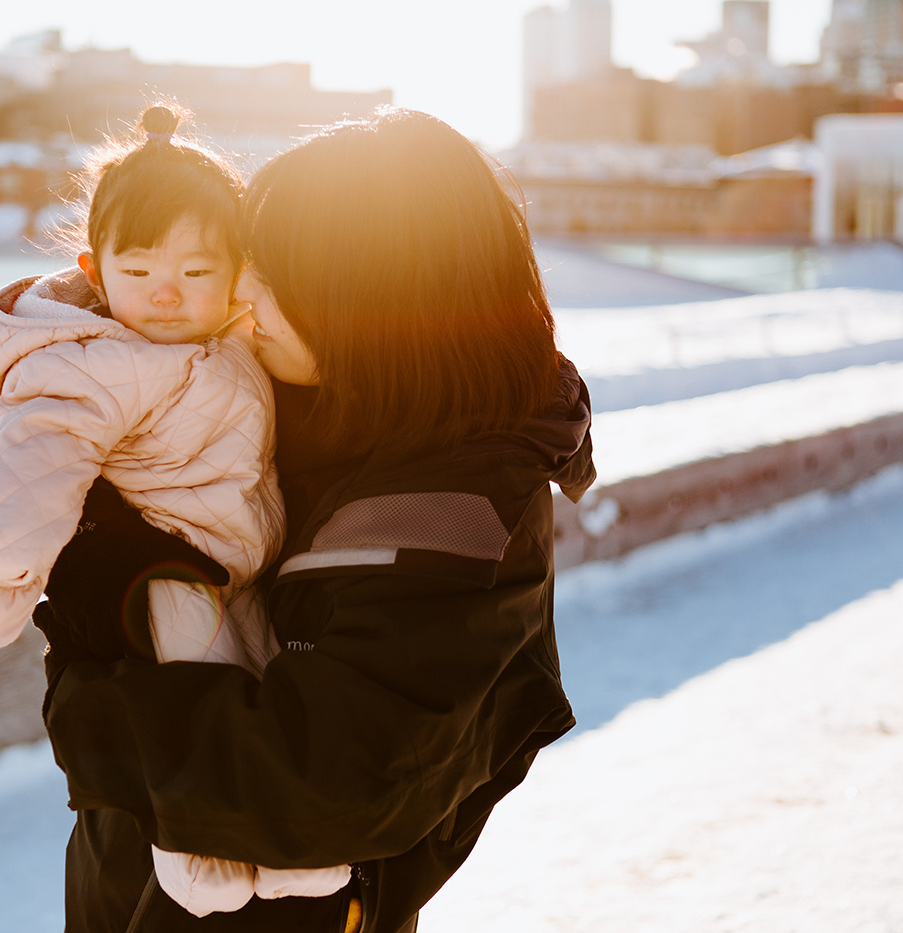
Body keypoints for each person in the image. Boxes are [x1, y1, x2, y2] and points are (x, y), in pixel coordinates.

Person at [34, 107, 598, 932]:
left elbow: (323, 776)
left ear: (372, 299)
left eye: (277, 273)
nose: (242, 291)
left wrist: (89, 707)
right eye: (249, 258)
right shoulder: (289, 406)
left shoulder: (467, 509)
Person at [0, 104, 350, 917]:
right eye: (139, 271)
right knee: (196, 709)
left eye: (196, 273)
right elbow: (34, 465)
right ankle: (198, 849)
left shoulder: (236, 335)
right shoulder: (90, 365)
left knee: (271, 690)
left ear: (235, 272)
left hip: (241, 567)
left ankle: (295, 845)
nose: (167, 295)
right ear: (97, 271)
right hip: (164, 575)